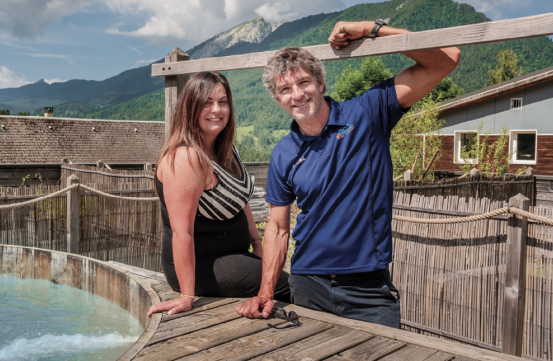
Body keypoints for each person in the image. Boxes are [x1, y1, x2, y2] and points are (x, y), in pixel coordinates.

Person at [235, 20, 461, 328]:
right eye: (285, 89)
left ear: (320, 83)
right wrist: (266, 290)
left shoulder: (367, 113)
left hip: (368, 292)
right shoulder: (283, 153)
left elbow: (447, 58)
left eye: (303, 83)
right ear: (278, 99)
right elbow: (276, 229)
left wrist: (372, 28)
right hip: (307, 286)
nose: (297, 95)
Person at [147, 71, 291, 317]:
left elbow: (240, 199)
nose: (217, 109)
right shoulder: (185, 158)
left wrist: (258, 244)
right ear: (190, 107)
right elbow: (182, 232)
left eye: (222, 102)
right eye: (207, 102)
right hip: (203, 265)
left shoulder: (225, 148)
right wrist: (186, 296)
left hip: (233, 255)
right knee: (288, 285)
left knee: (279, 274)